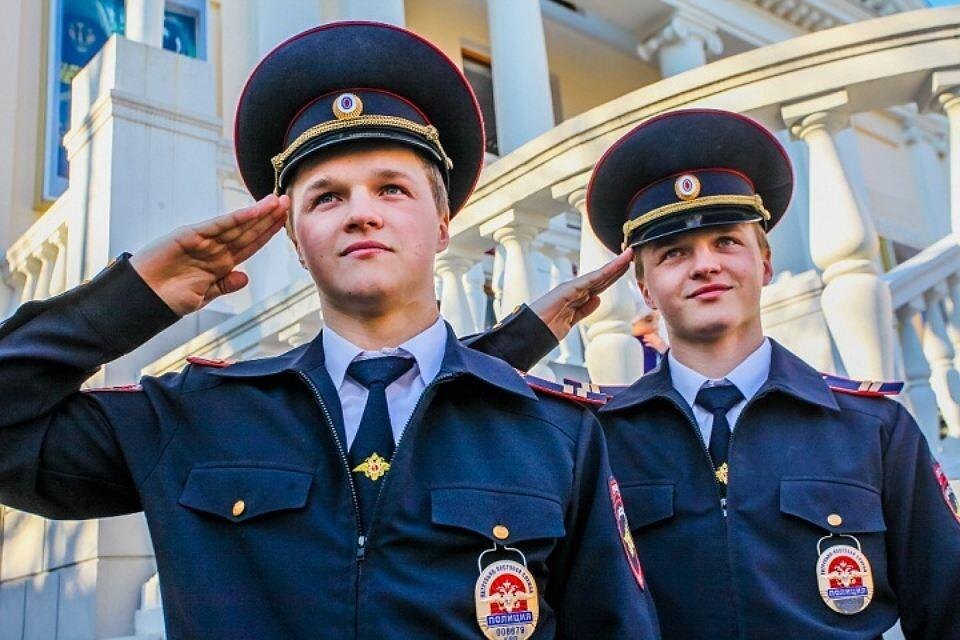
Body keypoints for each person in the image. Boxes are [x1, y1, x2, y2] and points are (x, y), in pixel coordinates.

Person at [0, 22, 659, 639]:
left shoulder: (556, 433)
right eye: (326, 197)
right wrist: (132, 295)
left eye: (391, 189)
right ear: (294, 238)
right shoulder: (199, 416)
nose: (360, 214)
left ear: (442, 224)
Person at [482, 108, 960, 639]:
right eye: (674, 253)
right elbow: (441, 414)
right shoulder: (598, 438)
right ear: (644, 289)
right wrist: (521, 338)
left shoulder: (872, 429)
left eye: (727, 241)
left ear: (765, 263)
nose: (705, 265)